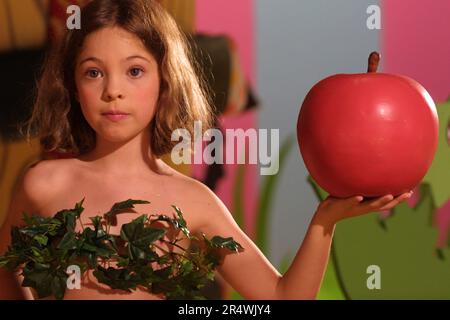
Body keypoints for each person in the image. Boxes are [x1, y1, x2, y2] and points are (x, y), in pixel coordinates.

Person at [0, 0, 412, 300]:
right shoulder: (42, 183)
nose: (113, 90)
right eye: (93, 72)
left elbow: (282, 298)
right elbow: (5, 273)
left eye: (135, 70)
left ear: (165, 82)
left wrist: (324, 223)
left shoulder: (192, 202)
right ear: (72, 86)